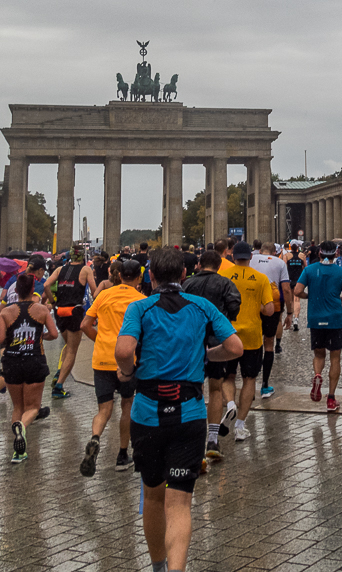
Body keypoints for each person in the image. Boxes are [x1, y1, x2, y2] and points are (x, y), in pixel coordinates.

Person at [115, 248, 244, 572]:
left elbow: (124, 350)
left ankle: (158, 566)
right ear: (185, 275)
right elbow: (234, 347)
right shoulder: (202, 306)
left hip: (147, 413)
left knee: (154, 497)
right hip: (189, 413)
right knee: (180, 502)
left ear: (151, 277)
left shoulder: (140, 307)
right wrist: (206, 357)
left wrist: (128, 372)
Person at [79, 259, 145, 476]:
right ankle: (122, 455)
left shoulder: (104, 295)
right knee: (127, 406)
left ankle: (95, 438)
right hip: (127, 360)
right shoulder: (142, 300)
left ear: (119, 276)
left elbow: (84, 325)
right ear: (138, 278)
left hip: (102, 358)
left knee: (104, 409)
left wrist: (99, 340)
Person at [181, 249, 242, 464]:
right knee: (216, 390)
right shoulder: (225, 283)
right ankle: (213, 440)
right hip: (216, 341)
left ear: (199, 264)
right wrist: (226, 318)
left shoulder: (187, 284)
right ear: (218, 265)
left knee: (194, 390)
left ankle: (191, 440)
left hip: (192, 342)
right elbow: (235, 304)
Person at [0, 273, 59, 463]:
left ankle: (18, 450)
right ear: (32, 290)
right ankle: (22, 428)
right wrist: (40, 337)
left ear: (16, 291)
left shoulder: (5, 312)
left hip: (12, 361)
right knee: (33, 407)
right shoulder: (41, 310)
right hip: (34, 360)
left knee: (17, 406)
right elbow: (54, 334)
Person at [218, 242, 275, 442]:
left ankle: (231, 405)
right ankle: (241, 426)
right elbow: (269, 310)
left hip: (228, 334)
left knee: (228, 377)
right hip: (251, 335)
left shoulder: (223, 277)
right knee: (249, 378)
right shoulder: (261, 278)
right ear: (251, 256)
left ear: (233, 256)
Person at [295, 240, 342, 412]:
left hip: (315, 318)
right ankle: (331, 398)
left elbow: (297, 291)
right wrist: (337, 300)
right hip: (334, 319)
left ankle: (317, 375)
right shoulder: (341, 272)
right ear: (336, 254)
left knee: (319, 355)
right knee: (335, 358)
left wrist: (310, 296)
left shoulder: (309, 270)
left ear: (319, 254)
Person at [44, 244, 96, 399]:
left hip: (60, 311)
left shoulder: (60, 270)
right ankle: (59, 386)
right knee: (73, 350)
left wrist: (52, 301)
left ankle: (60, 371)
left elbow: (47, 284)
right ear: (82, 257)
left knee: (68, 346)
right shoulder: (86, 270)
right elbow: (94, 291)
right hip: (74, 312)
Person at [250, 240, 291, 399]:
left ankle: (249, 383)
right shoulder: (280, 263)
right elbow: (286, 289)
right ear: (275, 252)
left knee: (253, 343)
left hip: (252, 305)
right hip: (272, 306)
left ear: (260, 251)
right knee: (269, 343)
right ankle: (265, 385)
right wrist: (289, 312)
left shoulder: (251, 260)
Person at [284, 243, 306, 331]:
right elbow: (305, 268)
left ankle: (291, 317)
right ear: (297, 248)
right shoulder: (302, 255)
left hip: (290, 279)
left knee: (291, 300)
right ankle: (296, 319)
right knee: (297, 300)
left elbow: (284, 267)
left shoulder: (287, 256)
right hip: (299, 280)